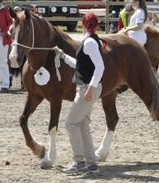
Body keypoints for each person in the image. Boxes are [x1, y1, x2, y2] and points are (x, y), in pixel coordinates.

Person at [55, 12, 105, 173]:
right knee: (82, 124)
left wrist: (91, 87)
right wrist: (63, 56)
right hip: (88, 86)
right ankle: (91, 164)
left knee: (70, 123)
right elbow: (81, 65)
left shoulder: (89, 42)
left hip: (87, 88)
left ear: (82, 24)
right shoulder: (89, 41)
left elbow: (100, 66)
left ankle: (79, 161)